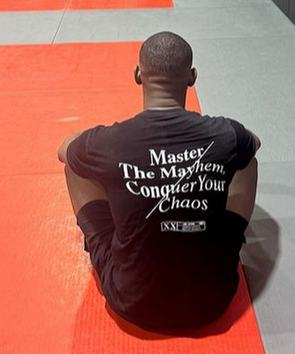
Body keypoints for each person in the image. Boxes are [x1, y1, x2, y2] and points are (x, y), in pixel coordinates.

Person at [58, 31, 261, 331]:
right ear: (192, 78)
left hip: (132, 302)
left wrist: (95, 147)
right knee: (247, 162)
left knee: (75, 167)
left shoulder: (111, 142)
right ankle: (228, 243)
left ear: (138, 75)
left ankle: (110, 239)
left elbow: (63, 151)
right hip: (213, 298)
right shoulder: (226, 134)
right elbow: (253, 142)